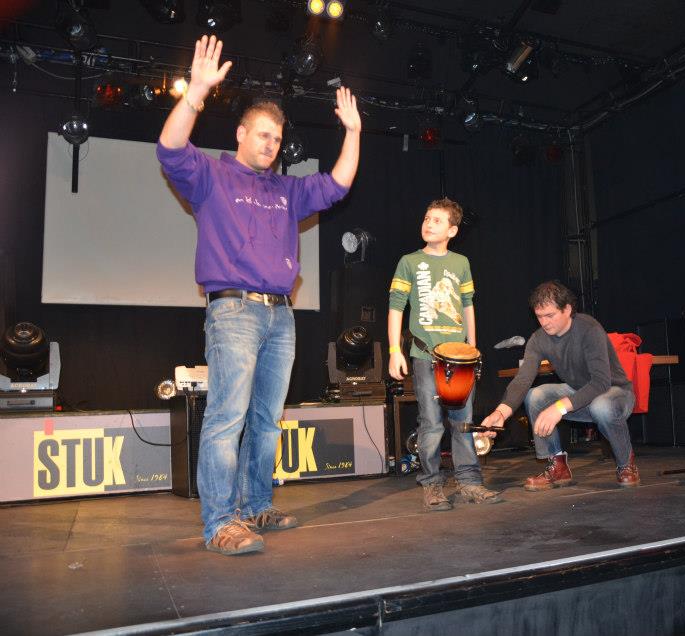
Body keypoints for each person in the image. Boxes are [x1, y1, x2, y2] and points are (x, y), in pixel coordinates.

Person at [156, 35, 361, 555]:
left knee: (267, 421)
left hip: (280, 317)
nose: (271, 145)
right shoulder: (212, 175)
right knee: (227, 417)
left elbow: (337, 184)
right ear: (242, 134)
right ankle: (219, 524)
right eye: (263, 135)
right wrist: (196, 93)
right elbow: (171, 149)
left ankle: (255, 506)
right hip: (233, 311)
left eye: (277, 139)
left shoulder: (287, 191)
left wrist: (354, 132)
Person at [387, 198, 502, 511]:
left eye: (437, 220)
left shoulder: (461, 263)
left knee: (463, 422)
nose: (428, 224)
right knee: (432, 423)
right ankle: (432, 484)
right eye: (427, 218)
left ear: (452, 230)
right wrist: (395, 350)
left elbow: (467, 306)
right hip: (426, 356)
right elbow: (396, 307)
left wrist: (473, 348)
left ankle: (470, 483)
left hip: (460, 358)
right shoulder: (409, 261)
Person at [479, 281, 640, 490]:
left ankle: (626, 463)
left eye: (550, 315)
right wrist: (501, 412)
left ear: (567, 309)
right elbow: (523, 380)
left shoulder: (589, 329)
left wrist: (559, 407)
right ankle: (557, 466)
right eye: (539, 316)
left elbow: (600, 382)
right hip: (580, 394)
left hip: (615, 393)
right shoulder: (538, 339)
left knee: (601, 405)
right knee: (535, 396)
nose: (544, 322)